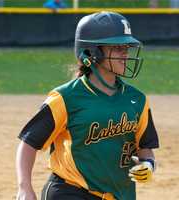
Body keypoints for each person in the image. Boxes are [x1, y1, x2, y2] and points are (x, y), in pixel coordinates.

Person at [16, 11, 159, 200]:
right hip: (71, 191)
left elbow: (144, 147)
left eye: (127, 47)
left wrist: (148, 164)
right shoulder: (66, 98)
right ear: (92, 53)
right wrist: (24, 187)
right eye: (117, 48)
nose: (125, 53)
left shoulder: (137, 100)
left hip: (120, 194)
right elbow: (28, 143)